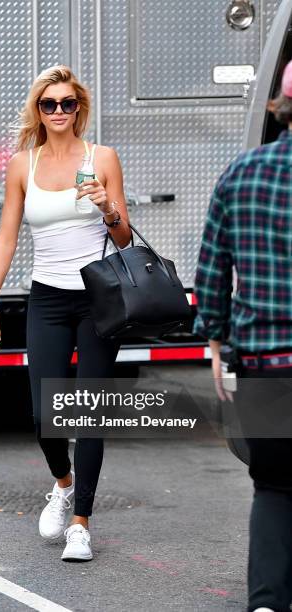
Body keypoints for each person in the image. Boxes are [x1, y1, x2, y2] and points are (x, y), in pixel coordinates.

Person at [0, 65, 131, 562]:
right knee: (45, 415)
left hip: (98, 298)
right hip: (46, 297)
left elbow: (124, 237)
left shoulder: (102, 157)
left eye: (67, 103)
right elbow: (7, 236)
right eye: (50, 104)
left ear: (79, 108)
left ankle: (81, 524)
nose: (59, 111)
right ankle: (63, 485)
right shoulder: (24, 164)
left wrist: (106, 205)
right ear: (38, 111)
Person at [193, 59, 292, 612]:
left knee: (276, 487)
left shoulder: (241, 174)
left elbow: (212, 267)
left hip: (266, 361)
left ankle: (267, 603)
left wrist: (214, 340)